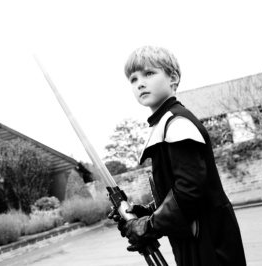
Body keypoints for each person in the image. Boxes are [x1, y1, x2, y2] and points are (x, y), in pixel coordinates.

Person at [108, 46, 247, 266]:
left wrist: (148, 226)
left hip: (210, 242)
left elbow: (190, 191)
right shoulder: (164, 124)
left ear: (173, 78)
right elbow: (174, 191)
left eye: (149, 74)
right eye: (133, 79)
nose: (140, 83)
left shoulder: (177, 123)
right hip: (194, 238)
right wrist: (145, 212)